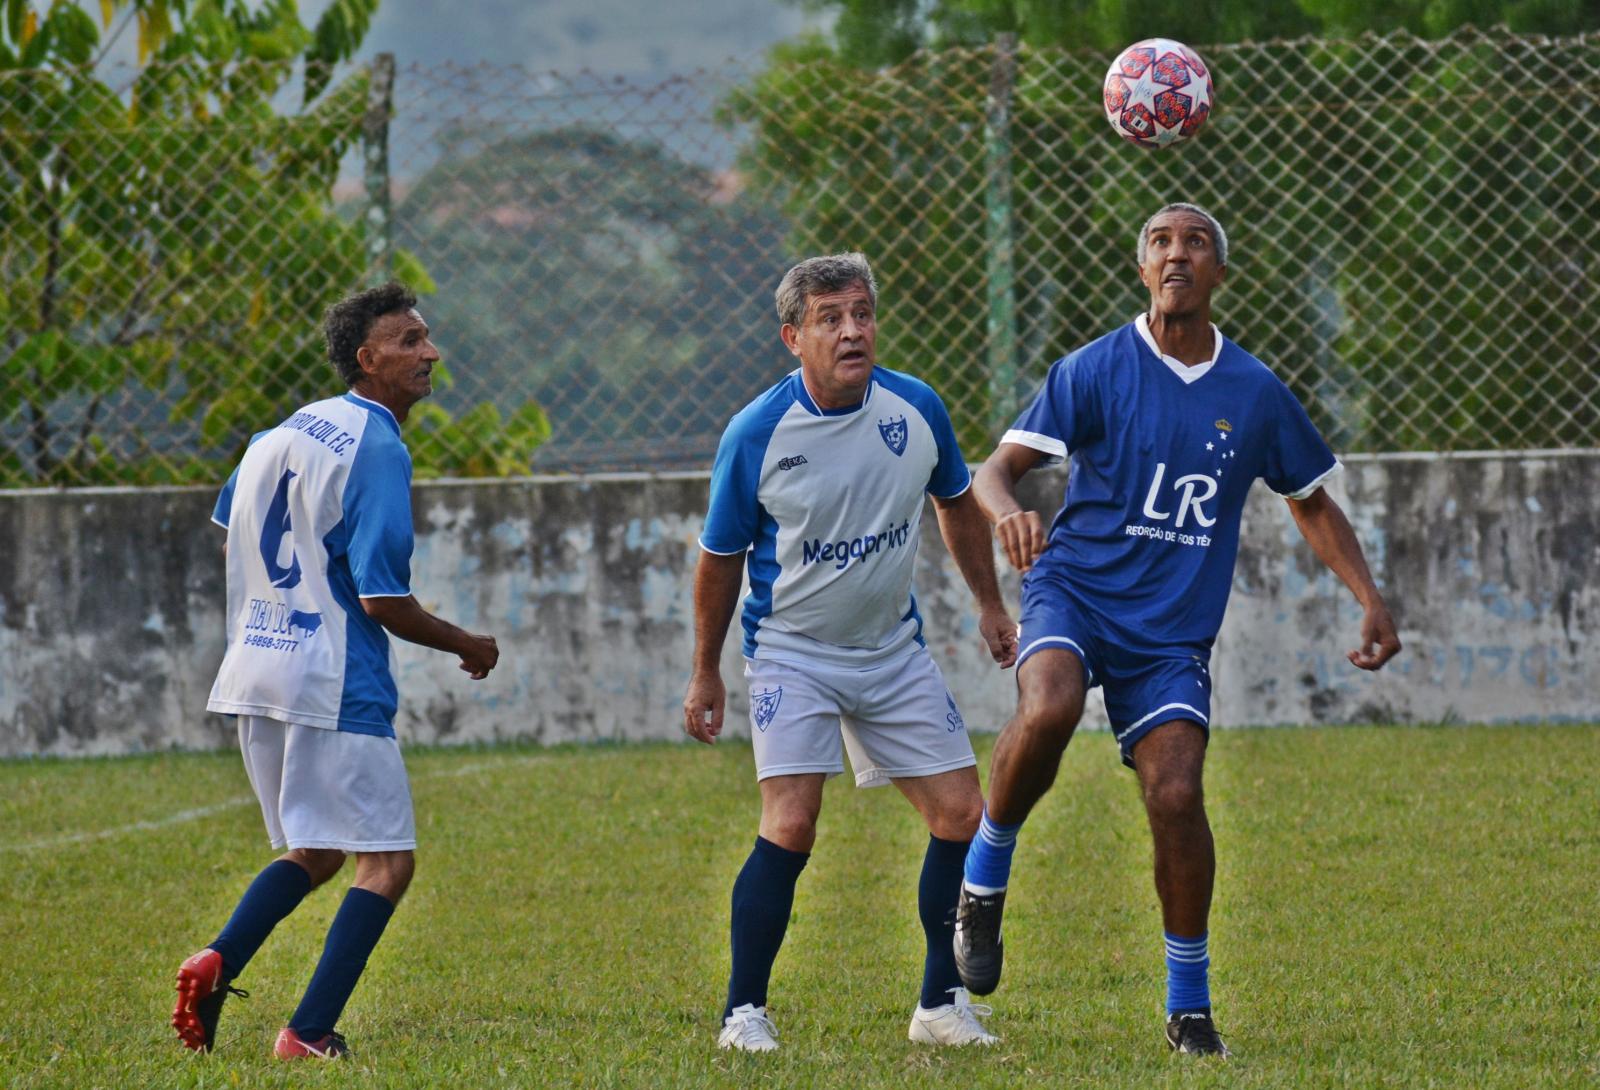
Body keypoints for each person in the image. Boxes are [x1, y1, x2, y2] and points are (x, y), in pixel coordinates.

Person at [952, 204, 1401, 1058]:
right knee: (1046, 707)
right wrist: (1009, 513)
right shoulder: (1093, 369)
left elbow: (1309, 501)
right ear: (1141, 266)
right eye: (1160, 240)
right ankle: (984, 878)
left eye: (1196, 242)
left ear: (1219, 273)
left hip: (1170, 635)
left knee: (1177, 793)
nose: (1177, 253)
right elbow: (993, 472)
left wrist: (1368, 597)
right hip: (1076, 592)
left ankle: (1188, 1007)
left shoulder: (1255, 391)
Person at [682, 253, 1020, 1053]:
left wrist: (988, 603)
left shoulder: (916, 407)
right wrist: (706, 667)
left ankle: (938, 1005)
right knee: (792, 823)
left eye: (862, 313)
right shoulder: (756, 433)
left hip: (890, 650)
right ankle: (743, 1013)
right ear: (792, 336)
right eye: (831, 318)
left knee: (961, 816)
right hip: (792, 652)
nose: (853, 331)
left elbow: (957, 506)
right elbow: (720, 556)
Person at [171, 282, 499, 1060]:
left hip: (257, 672)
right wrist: (467, 644)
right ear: (369, 358)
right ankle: (308, 1033)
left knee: (316, 850)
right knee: (386, 862)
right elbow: (384, 599)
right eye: (412, 341)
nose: (431, 353)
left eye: (428, 338)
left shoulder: (275, 436)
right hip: (331, 680)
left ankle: (218, 962)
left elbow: (231, 539)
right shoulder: (378, 445)